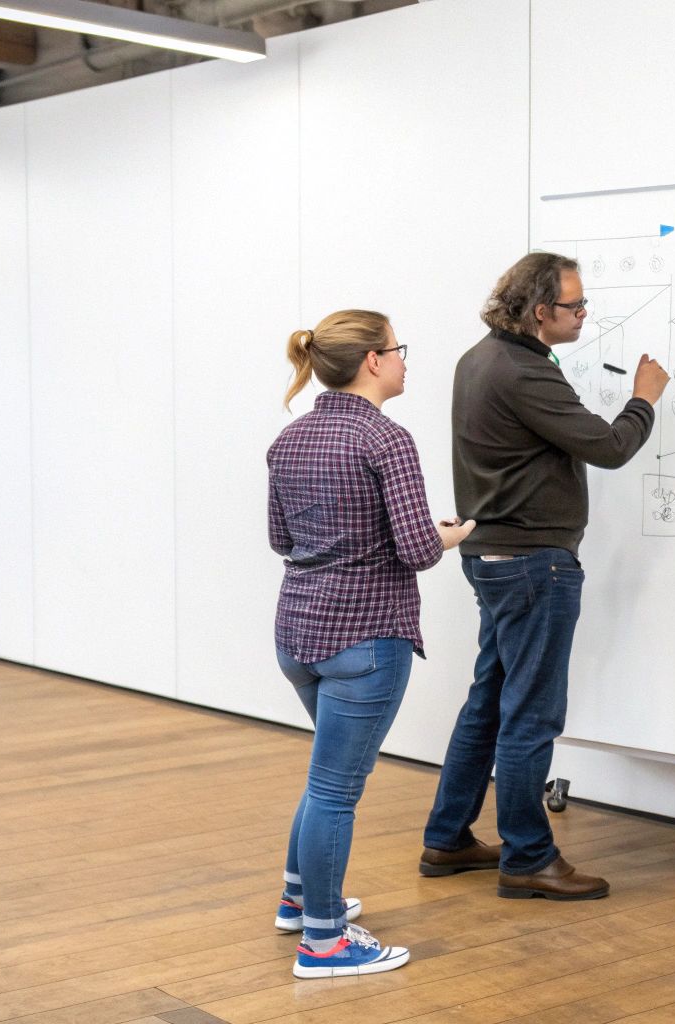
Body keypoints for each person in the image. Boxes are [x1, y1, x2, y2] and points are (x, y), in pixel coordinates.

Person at [418, 252, 669, 900]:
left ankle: (448, 837)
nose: (584, 314)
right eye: (574, 305)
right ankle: (528, 856)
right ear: (538, 311)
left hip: (495, 558)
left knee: (489, 702)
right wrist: (643, 399)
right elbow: (610, 446)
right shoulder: (523, 371)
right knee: (530, 715)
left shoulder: (479, 358)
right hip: (532, 564)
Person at [267, 309, 474, 978]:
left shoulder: (289, 439)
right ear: (372, 362)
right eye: (398, 348)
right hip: (365, 638)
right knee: (336, 788)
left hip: (298, 633)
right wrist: (450, 535)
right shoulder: (387, 439)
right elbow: (417, 550)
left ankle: (300, 900)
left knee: (325, 777)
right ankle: (324, 943)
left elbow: (280, 539)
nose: (405, 360)